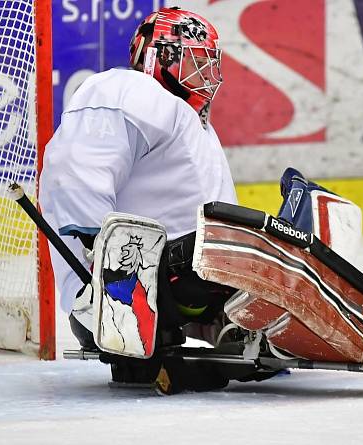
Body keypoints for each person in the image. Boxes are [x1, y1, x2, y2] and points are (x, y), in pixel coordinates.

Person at [40, 6, 243, 391]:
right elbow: (73, 170)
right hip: (134, 278)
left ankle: (239, 322)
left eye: (207, 63)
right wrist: (99, 267)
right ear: (157, 56)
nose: (205, 73)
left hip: (181, 279)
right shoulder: (129, 91)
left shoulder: (192, 123)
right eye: (193, 60)